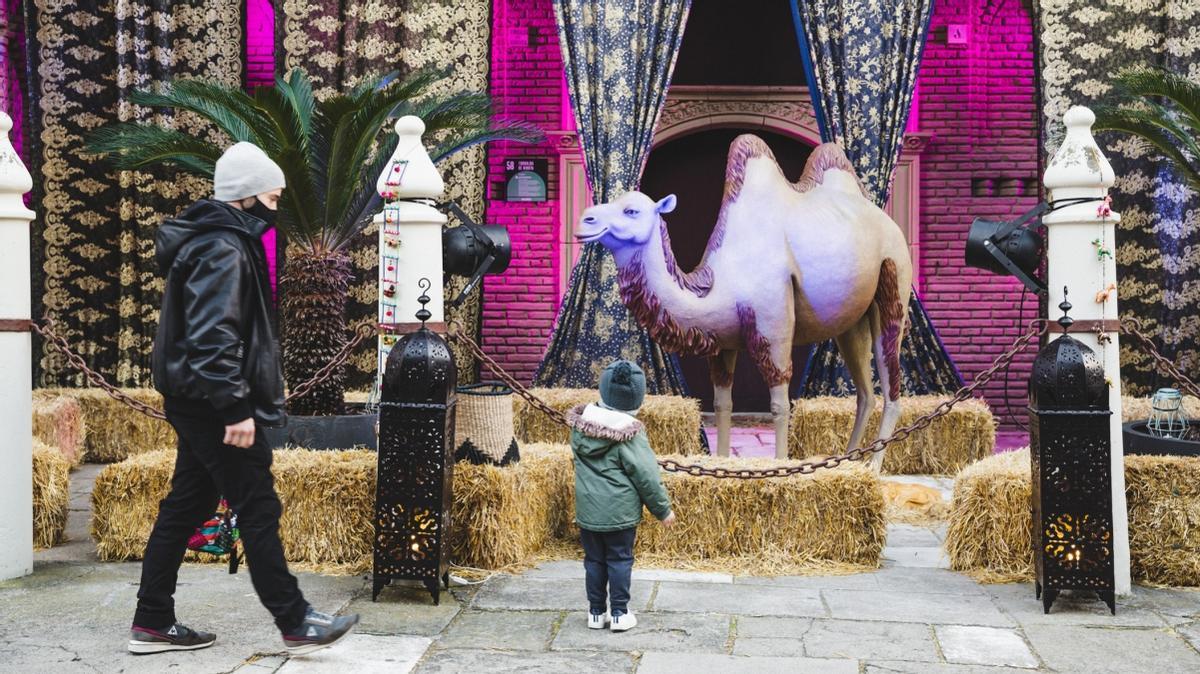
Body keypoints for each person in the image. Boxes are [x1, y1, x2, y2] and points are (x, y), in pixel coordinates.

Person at [129, 142, 358, 656]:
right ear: (247, 196)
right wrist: (235, 408)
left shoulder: (215, 241)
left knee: (187, 504)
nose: (276, 210)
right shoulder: (223, 248)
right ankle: (296, 621)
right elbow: (213, 336)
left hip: (196, 398)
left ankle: (151, 622)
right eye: (272, 199)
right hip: (214, 404)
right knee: (257, 504)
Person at [565, 360, 676, 633]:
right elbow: (646, 475)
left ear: (603, 391)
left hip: (588, 512)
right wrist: (662, 510)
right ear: (636, 400)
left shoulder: (581, 427)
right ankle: (619, 612)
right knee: (619, 560)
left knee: (593, 561)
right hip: (620, 514)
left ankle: (595, 612)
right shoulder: (630, 435)